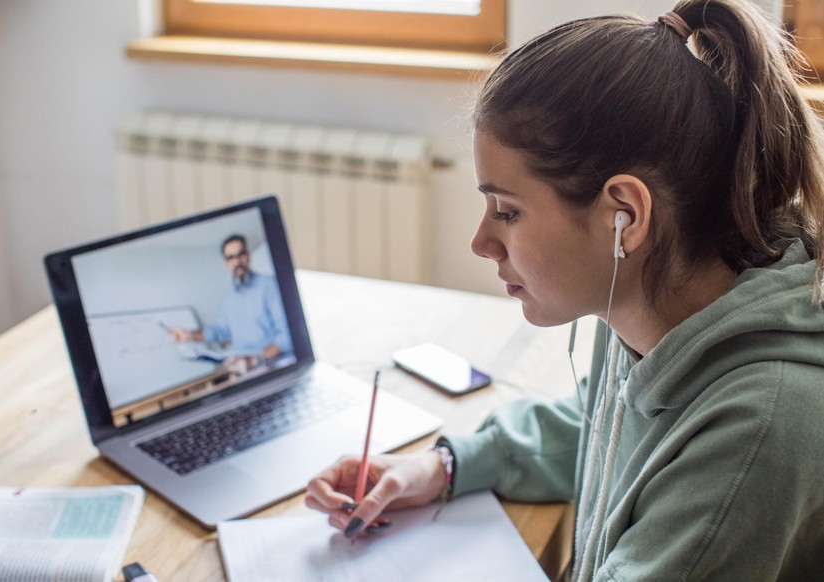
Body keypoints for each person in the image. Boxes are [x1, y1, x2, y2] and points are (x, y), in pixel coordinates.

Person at [305, 1, 824, 579]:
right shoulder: (653, 299)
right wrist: (443, 466)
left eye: (506, 210)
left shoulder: (755, 433)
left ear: (623, 215)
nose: (481, 242)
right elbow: (602, 424)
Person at [169, 234, 291, 373]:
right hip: (246, 372)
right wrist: (188, 335)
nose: (237, 262)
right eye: (231, 257)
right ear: (226, 264)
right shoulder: (230, 300)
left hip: (278, 367)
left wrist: (257, 359)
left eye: (241, 255)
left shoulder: (271, 285)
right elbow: (220, 331)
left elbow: (288, 334)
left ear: (248, 257)